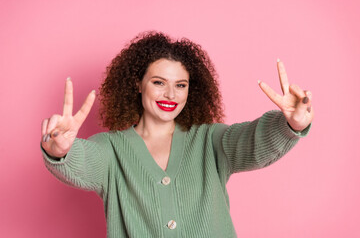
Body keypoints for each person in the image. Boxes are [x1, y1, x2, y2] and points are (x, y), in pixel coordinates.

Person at [41, 31, 313, 238]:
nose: (171, 95)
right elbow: (82, 161)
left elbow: (252, 142)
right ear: (137, 84)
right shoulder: (111, 150)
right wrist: (60, 150)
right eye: (159, 82)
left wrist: (291, 125)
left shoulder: (210, 140)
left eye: (180, 85)